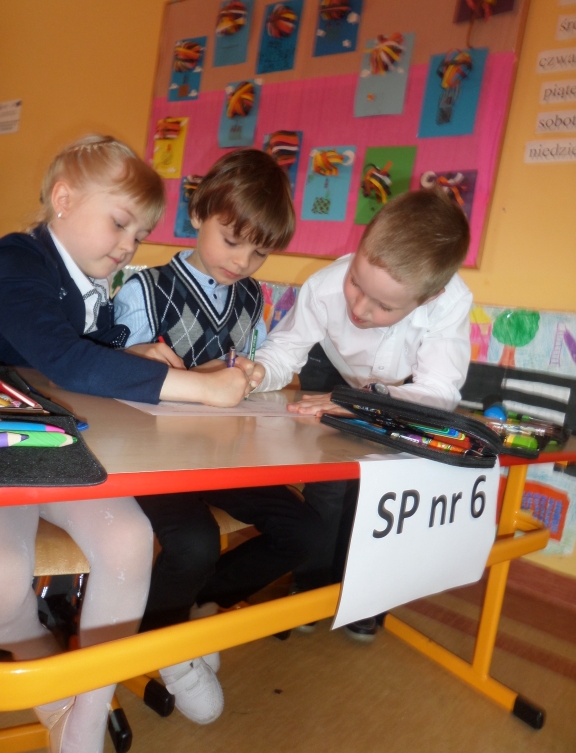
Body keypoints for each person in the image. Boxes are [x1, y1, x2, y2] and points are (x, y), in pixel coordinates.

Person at [0, 135, 253, 753]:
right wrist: (202, 388)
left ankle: (83, 723)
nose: (127, 246)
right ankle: (59, 699)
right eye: (119, 223)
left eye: (138, 235)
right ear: (63, 199)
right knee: (4, 578)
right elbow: (63, 357)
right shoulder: (16, 260)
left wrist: (131, 352)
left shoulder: (92, 282)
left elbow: (84, 353)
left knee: (130, 540)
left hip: (53, 446)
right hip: (7, 452)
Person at [114, 149, 321, 724]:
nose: (242, 262)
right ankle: (162, 642)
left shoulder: (252, 297)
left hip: (221, 452)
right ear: (198, 212)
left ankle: (198, 609)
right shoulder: (145, 288)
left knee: (305, 530)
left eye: (259, 252)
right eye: (232, 241)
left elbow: (250, 369)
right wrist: (144, 361)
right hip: (151, 456)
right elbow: (105, 378)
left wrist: (254, 375)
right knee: (195, 541)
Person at [252, 188, 473, 641]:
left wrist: (365, 403)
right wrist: (251, 373)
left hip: (406, 392)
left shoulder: (450, 302)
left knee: (384, 491)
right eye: (356, 283)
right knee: (329, 487)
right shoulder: (325, 286)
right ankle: (311, 588)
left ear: (429, 297)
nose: (358, 309)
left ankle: (367, 596)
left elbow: (438, 391)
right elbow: (284, 351)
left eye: (383, 306)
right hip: (334, 368)